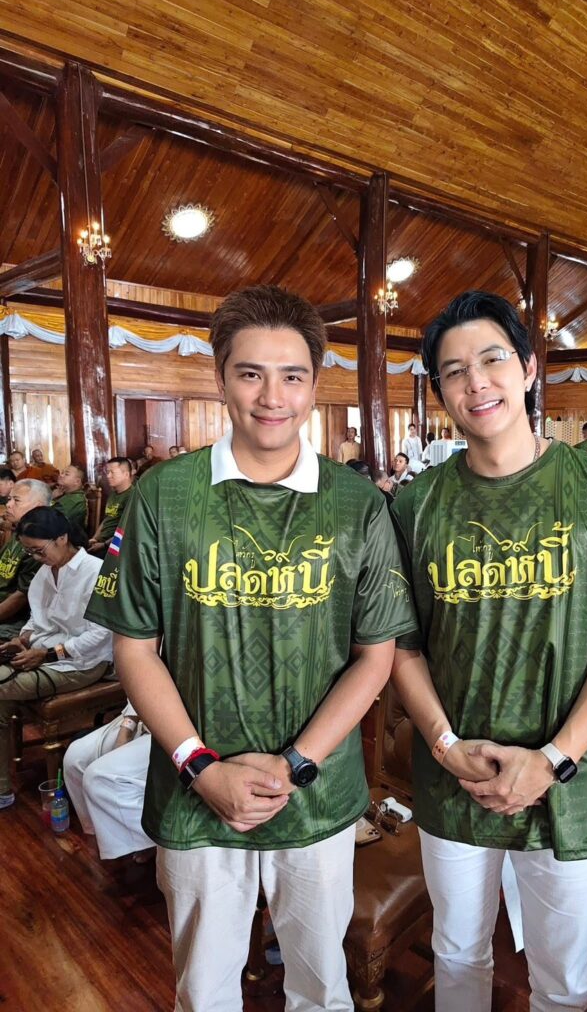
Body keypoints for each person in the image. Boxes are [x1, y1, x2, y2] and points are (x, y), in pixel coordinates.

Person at [85, 284, 417, 1012]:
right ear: (221, 379)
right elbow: (134, 647)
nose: (273, 396)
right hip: (195, 793)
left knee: (322, 986)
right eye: (250, 373)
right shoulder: (163, 496)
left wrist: (296, 763)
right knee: (204, 992)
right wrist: (200, 766)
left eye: (292, 375)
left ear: (314, 385)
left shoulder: (357, 503)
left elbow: (376, 655)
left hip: (317, 792)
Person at [389, 290, 587, 1012]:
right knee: (457, 952)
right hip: (454, 776)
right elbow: (401, 643)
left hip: (568, 781)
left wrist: (552, 759)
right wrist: (445, 745)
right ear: (440, 392)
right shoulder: (416, 505)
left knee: (564, 972)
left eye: (491, 360)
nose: (476, 383)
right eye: (454, 371)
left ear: (526, 368)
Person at [0, 506, 112, 809]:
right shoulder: (46, 571)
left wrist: (48, 654)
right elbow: (38, 618)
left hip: (83, 663)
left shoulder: (96, 572)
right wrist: (22, 638)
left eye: (39, 550)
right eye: (30, 552)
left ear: (62, 538)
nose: (36, 558)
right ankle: (2, 788)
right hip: (45, 653)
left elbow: (99, 636)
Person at [63, 702, 153, 860]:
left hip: (172, 727)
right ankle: (99, 834)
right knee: (74, 759)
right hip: (139, 715)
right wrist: (127, 727)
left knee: (98, 778)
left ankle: (152, 840)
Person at [0, 479, 51, 641]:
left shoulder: (40, 541)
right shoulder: (19, 531)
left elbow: (21, 596)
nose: (9, 505)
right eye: (9, 499)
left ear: (37, 506)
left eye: (16, 500)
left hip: (18, 620)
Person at [88, 457, 134, 556]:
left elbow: (128, 531)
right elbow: (106, 519)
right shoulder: (113, 494)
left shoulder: (132, 496)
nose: (108, 476)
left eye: (112, 472)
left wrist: (104, 545)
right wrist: (95, 538)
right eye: (107, 472)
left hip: (115, 547)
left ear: (126, 474)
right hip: (101, 542)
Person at [52, 463, 88, 535]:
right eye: (62, 472)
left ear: (77, 481)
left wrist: (51, 498)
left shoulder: (75, 500)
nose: (61, 475)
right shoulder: (66, 494)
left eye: (66, 474)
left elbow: (49, 520)